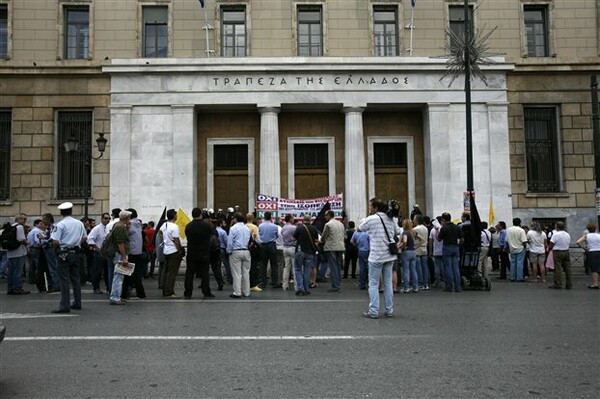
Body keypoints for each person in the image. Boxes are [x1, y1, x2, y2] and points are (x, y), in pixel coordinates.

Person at [358, 198, 400, 318]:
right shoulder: (391, 218)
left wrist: (369, 217)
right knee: (388, 283)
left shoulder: (371, 219)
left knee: (374, 284)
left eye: (371, 206)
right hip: (390, 255)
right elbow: (397, 231)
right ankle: (389, 310)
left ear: (376, 208)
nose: (370, 208)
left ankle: (374, 311)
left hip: (376, 256)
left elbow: (360, 228)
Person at [50, 203, 87, 312]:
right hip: (76, 252)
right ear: (71, 211)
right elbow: (85, 238)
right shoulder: (79, 223)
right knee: (76, 279)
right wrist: (75, 244)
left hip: (64, 253)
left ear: (61, 212)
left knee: (64, 280)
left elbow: (55, 241)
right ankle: (77, 302)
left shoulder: (60, 225)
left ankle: (64, 306)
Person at [184, 208, 214, 299]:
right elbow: (210, 235)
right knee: (205, 273)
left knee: (189, 273)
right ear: (201, 214)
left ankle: (188, 292)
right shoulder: (206, 225)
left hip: (192, 252)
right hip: (204, 252)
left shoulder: (188, 226)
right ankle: (206, 292)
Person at [108, 210, 132, 305]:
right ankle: (115, 297)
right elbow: (120, 243)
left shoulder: (119, 226)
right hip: (119, 254)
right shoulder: (120, 227)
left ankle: (116, 296)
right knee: (118, 276)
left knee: (119, 276)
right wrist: (124, 257)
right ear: (126, 218)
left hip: (119, 253)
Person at [319, 210, 346, 293]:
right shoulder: (341, 224)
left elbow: (323, 237)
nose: (325, 217)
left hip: (331, 247)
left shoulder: (328, 224)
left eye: (325, 215)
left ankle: (335, 286)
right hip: (340, 247)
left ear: (329, 215)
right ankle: (338, 284)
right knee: (338, 266)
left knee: (333, 267)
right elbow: (345, 236)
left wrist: (320, 241)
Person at [122, 208, 146, 300]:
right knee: (132, 274)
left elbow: (125, 236)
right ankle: (127, 293)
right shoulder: (138, 224)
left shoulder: (129, 224)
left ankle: (125, 294)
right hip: (137, 251)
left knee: (128, 273)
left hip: (131, 251)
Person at [160, 209, 184, 298]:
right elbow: (177, 240)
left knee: (167, 271)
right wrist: (180, 250)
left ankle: (165, 290)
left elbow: (160, 233)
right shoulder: (174, 226)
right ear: (174, 216)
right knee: (172, 273)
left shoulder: (164, 225)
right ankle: (169, 292)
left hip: (166, 250)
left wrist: (165, 240)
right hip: (173, 251)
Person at [227, 212, 252, 298]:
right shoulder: (247, 228)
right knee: (246, 272)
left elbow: (230, 242)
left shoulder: (233, 228)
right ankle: (246, 292)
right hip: (246, 251)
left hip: (236, 251)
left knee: (236, 273)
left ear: (235, 219)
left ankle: (237, 292)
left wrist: (229, 251)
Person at [293, 215, 319, 295]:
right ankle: (306, 288)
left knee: (297, 269)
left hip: (300, 251)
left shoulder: (299, 227)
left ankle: (300, 288)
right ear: (310, 220)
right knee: (307, 271)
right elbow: (316, 240)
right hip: (310, 252)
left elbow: (294, 237)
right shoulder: (314, 228)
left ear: (303, 220)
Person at [5, 214, 30, 295]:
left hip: (10, 252)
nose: (25, 221)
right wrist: (27, 243)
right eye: (23, 219)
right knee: (18, 272)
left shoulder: (11, 227)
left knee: (11, 272)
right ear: (18, 219)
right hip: (19, 252)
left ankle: (10, 288)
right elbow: (21, 239)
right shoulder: (19, 227)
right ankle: (17, 288)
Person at [437, 212, 461, 292]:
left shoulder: (444, 228)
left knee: (448, 268)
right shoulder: (456, 227)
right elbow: (461, 238)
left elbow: (439, 239)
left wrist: (437, 231)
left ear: (443, 219)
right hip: (455, 247)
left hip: (447, 247)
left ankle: (449, 286)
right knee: (456, 268)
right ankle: (458, 286)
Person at [87, 212, 110, 294]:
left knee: (107, 271)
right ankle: (96, 287)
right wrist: (96, 247)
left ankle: (108, 287)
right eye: (106, 218)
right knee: (97, 271)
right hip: (99, 252)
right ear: (102, 219)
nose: (108, 220)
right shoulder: (97, 228)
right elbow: (89, 238)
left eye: (109, 218)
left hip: (107, 252)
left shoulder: (108, 228)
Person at [258, 211, 280, 289]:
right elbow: (277, 235)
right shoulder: (274, 226)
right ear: (271, 217)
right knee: (274, 264)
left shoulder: (260, 226)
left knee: (263, 264)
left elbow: (259, 235)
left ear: (264, 217)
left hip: (263, 245)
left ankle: (263, 282)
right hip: (272, 245)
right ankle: (274, 282)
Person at [548, 221, 572, 290]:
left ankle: (558, 283)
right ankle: (569, 283)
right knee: (567, 269)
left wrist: (549, 249)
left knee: (558, 268)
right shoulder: (567, 234)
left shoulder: (556, 235)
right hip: (566, 251)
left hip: (557, 251)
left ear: (556, 226)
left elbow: (551, 244)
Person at [576, 223, 600, 289]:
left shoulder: (587, 236)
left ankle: (595, 283)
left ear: (588, 229)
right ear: (595, 228)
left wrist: (584, 248)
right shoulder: (599, 235)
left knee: (594, 269)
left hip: (591, 252)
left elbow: (578, 242)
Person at [506, 218, 528, 282]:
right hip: (520, 248)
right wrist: (525, 247)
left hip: (512, 248)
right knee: (520, 263)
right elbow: (524, 241)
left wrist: (508, 248)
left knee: (512, 263)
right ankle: (519, 277)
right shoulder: (521, 230)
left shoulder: (508, 230)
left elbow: (507, 240)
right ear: (520, 223)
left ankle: (512, 277)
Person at [246, 212, 262, 292]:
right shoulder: (254, 227)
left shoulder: (245, 226)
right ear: (252, 219)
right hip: (253, 249)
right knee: (254, 266)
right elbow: (257, 239)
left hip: (245, 248)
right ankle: (253, 284)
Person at [281, 214, 297, 291]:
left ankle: (285, 285)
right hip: (292, 248)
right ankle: (296, 285)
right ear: (290, 219)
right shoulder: (294, 228)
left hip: (285, 248)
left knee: (286, 267)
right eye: (293, 218)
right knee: (295, 267)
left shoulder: (283, 228)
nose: (294, 219)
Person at [26, 219, 44, 287]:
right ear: (36, 224)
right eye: (40, 223)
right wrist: (43, 243)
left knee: (32, 265)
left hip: (32, 249)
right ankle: (39, 279)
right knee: (37, 265)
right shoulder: (36, 230)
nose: (42, 225)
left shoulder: (32, 230)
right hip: (36, 249)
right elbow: (38, 240)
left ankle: (31, 279)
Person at [413, 215, 429, 290]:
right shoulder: (425, 228)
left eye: (414, 219)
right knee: (425, 267)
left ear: (417, 220)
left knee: (418, 267)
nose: (413, 220)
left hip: (417, 249)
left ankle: (420, 283)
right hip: (424, 248)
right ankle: (426, 283)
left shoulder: (415, 229)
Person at [428, 216, 444, 288]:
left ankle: (437, 280)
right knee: (443, 265)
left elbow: (430, 242)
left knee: (437, 266)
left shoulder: (432, 230)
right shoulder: (443, 228)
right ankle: (444, 280)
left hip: (436, 250)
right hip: (443, 250)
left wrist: (430, 251)